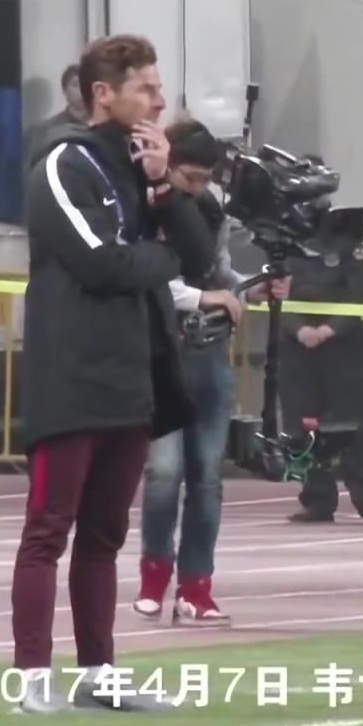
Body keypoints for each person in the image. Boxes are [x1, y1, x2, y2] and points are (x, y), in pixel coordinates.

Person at [10, 34, 215, 713]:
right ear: (104, 94)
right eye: (145, 89)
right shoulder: (64, 162)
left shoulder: (139, 166)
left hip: (132, 378)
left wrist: (162, 185)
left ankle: (99, 673)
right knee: (48, 530)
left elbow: (199, 257)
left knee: (104, 537)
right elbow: (103, 264)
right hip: (71, 376)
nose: (159, 101)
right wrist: (158, 256)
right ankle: (32, 679)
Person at [132, 119, 290, 627]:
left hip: (210, 354)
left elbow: (220, 272)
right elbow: (152, 280)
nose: (198, 188)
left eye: (205, 179)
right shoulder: (142, 208)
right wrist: (204, 297)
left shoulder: (211, 213)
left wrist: (252, 288)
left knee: (207, 477)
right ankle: (153, 576)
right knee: (163, 473)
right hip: (162, 353)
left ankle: (197, 586)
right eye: (190, 178)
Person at [280, 174, 363, 525]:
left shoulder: (349, 230)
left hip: (343, 344)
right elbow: (276, 287)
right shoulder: (282, 233)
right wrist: (299, 329)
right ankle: (316, 499)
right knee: (301, 424)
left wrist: (329, 329)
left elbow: (357, 288)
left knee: (357, 426)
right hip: (297, 344)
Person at [22, 64, 87, 169]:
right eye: (75, 85)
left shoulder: (101, 127)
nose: (82, 91)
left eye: (85, 85)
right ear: (65, 91)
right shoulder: (44, 131)